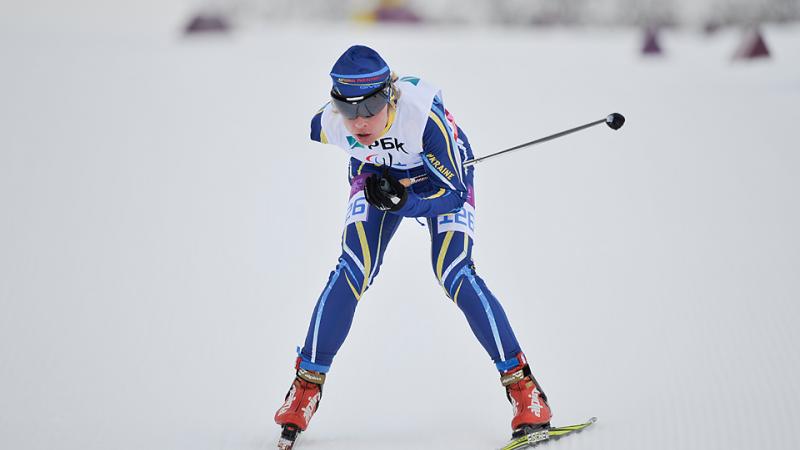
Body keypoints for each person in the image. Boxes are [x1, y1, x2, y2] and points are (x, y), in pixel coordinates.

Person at [274, 45, 551, 447]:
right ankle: (304, 390)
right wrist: (382, 185)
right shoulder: (331, 125)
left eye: (371, 105)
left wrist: (407, 202)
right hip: (378, 176)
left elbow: (453, 194)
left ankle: (525, 390)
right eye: (348, 109)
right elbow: (325, 129)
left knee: (453, 271)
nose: (360, 120)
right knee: (353, 268)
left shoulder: (423, 119)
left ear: (389, 95)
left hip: (441, 175)